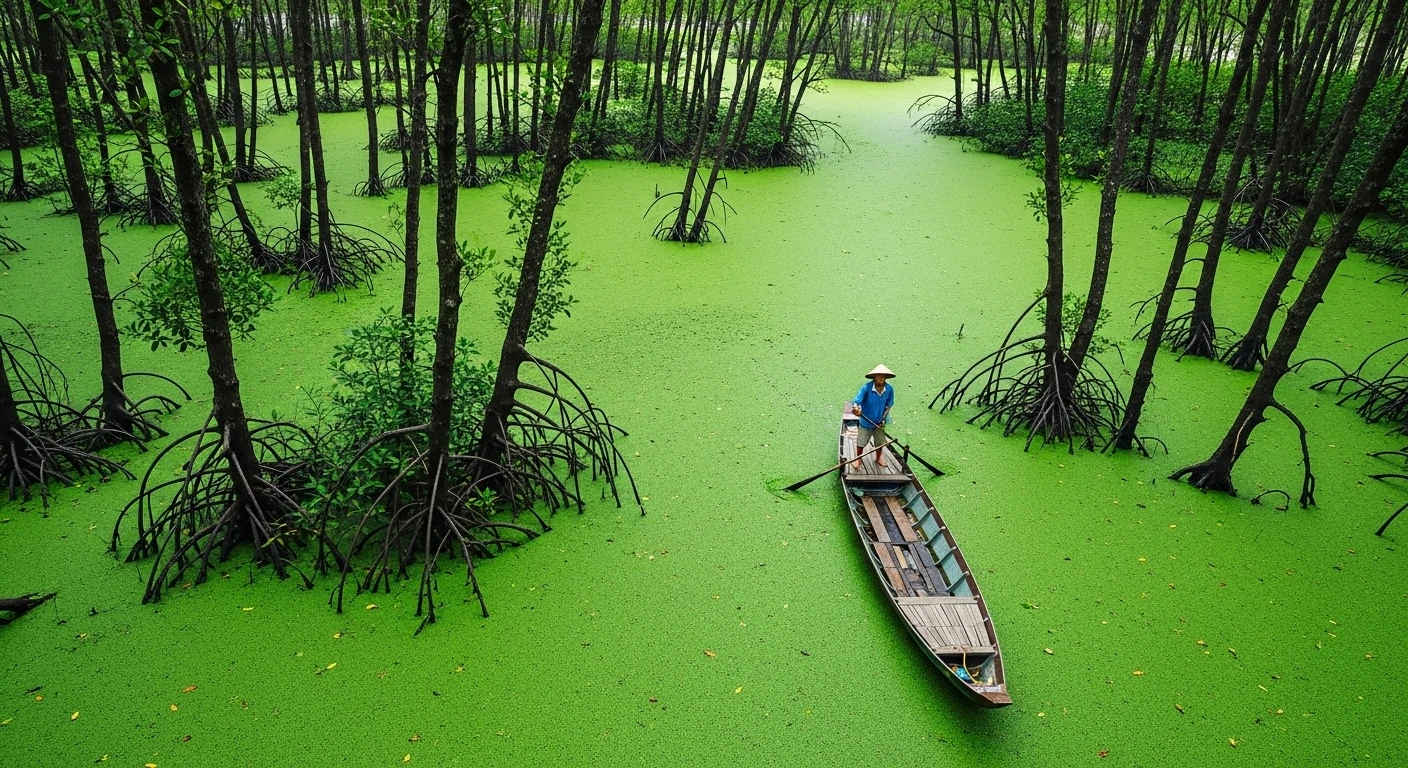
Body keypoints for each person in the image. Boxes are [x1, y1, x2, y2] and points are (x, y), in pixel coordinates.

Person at [851, 365, 895, 470]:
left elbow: (889, 405)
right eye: (878, 376)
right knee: (861, 442)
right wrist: (856, 408)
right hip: (866, 421)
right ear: (874, 377)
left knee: (880, 442)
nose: (880, 378)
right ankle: (858, 458)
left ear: (886, 378)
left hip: (880, 422)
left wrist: (883, 419)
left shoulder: (889, 390)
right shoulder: (866, 388)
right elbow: (856, 402)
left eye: (883, 376)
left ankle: (879, 458)